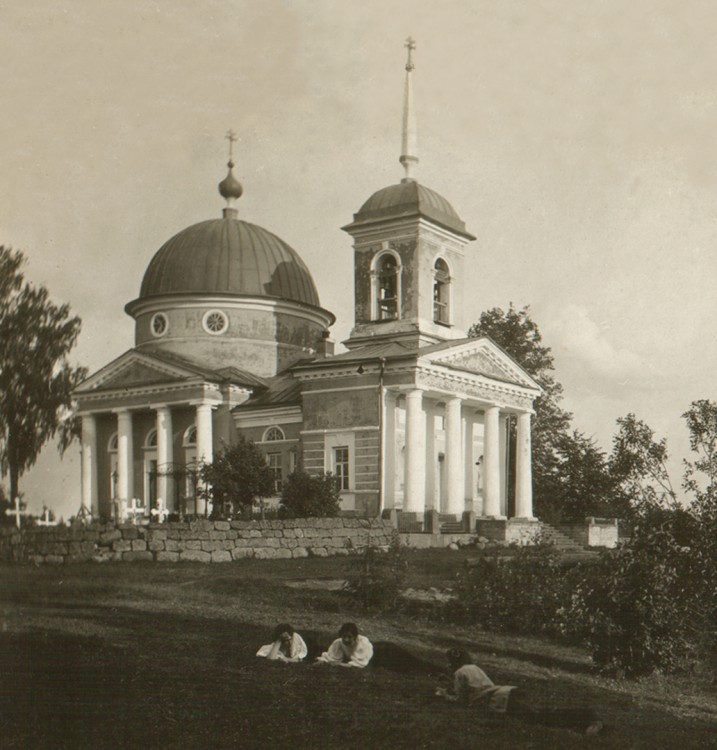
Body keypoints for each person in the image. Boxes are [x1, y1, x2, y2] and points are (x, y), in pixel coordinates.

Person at [435, 649, 604, 736]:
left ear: (452, 662)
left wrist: (444, 694)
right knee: (541, 714)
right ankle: (584, 719)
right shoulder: (473, 667)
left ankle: (588, 718)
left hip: (501, 700)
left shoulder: (459, 673)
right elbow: (480, 687)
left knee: (537, 718)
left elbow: (461, 701)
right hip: (507, 691)